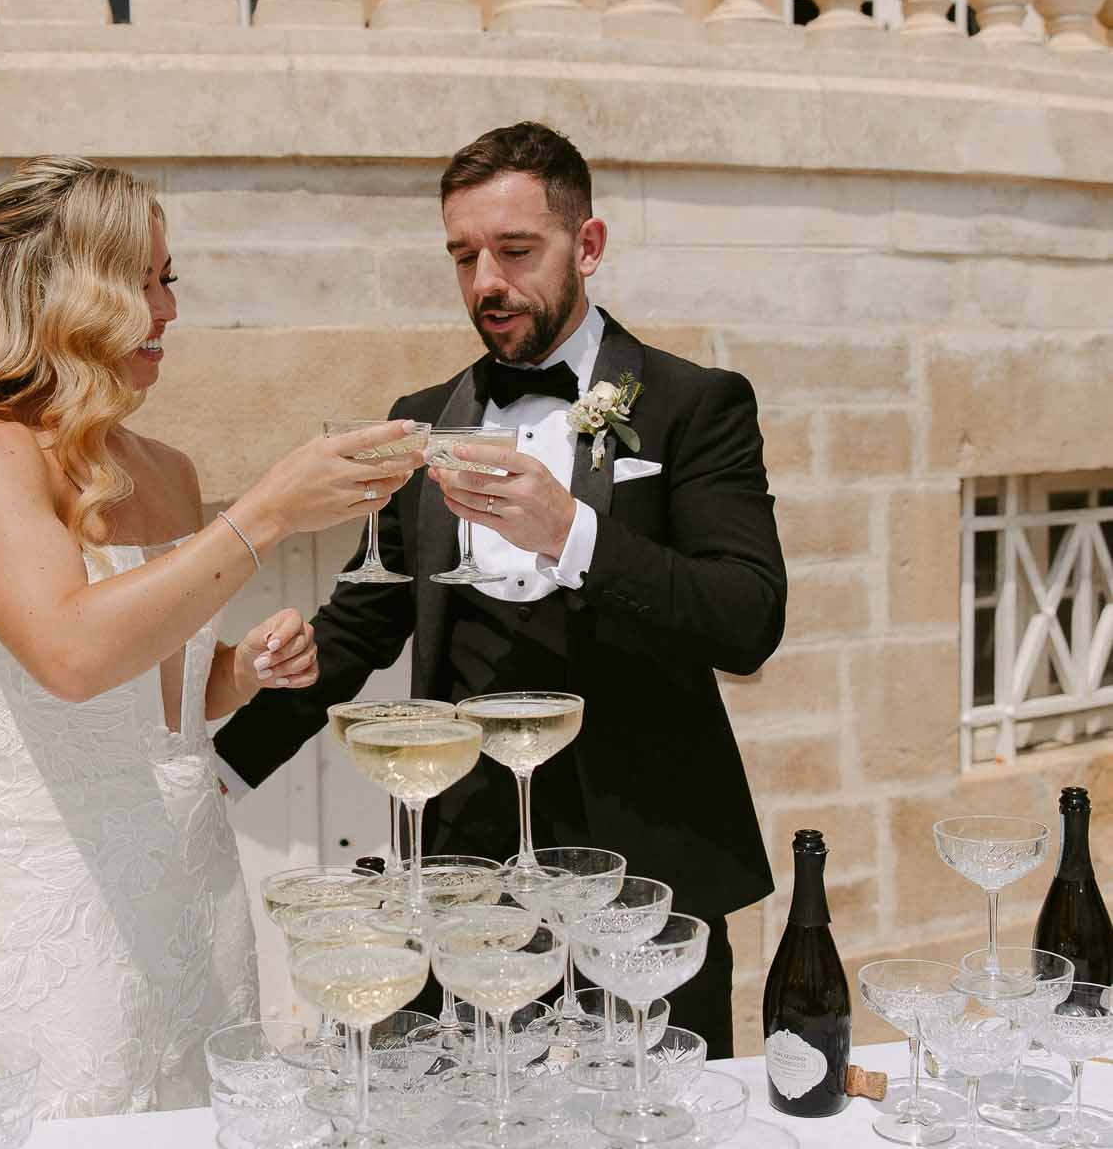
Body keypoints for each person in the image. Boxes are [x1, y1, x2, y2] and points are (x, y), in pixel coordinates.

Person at [0, 157, 420, 1116]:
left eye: (169, 278)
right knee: (78, 1148)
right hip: (50, 890)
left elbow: (162, 704)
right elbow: (70, 659)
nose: (170, 309)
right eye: (145, 282)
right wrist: (266, 516)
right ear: (73, 296)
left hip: (191, 875)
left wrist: (244, 670)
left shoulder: (168, 471)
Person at [216, 122, 787, 1055]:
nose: (486, 282)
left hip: (646, 864)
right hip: (464, 873)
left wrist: (572, 534)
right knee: (470, 1139)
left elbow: (748, 618)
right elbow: (360, 627)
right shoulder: (420, 420)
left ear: (587, 246)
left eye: (515, 250)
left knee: (656, 1135)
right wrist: (220, 773)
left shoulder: (696, 405)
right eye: (463, 255)